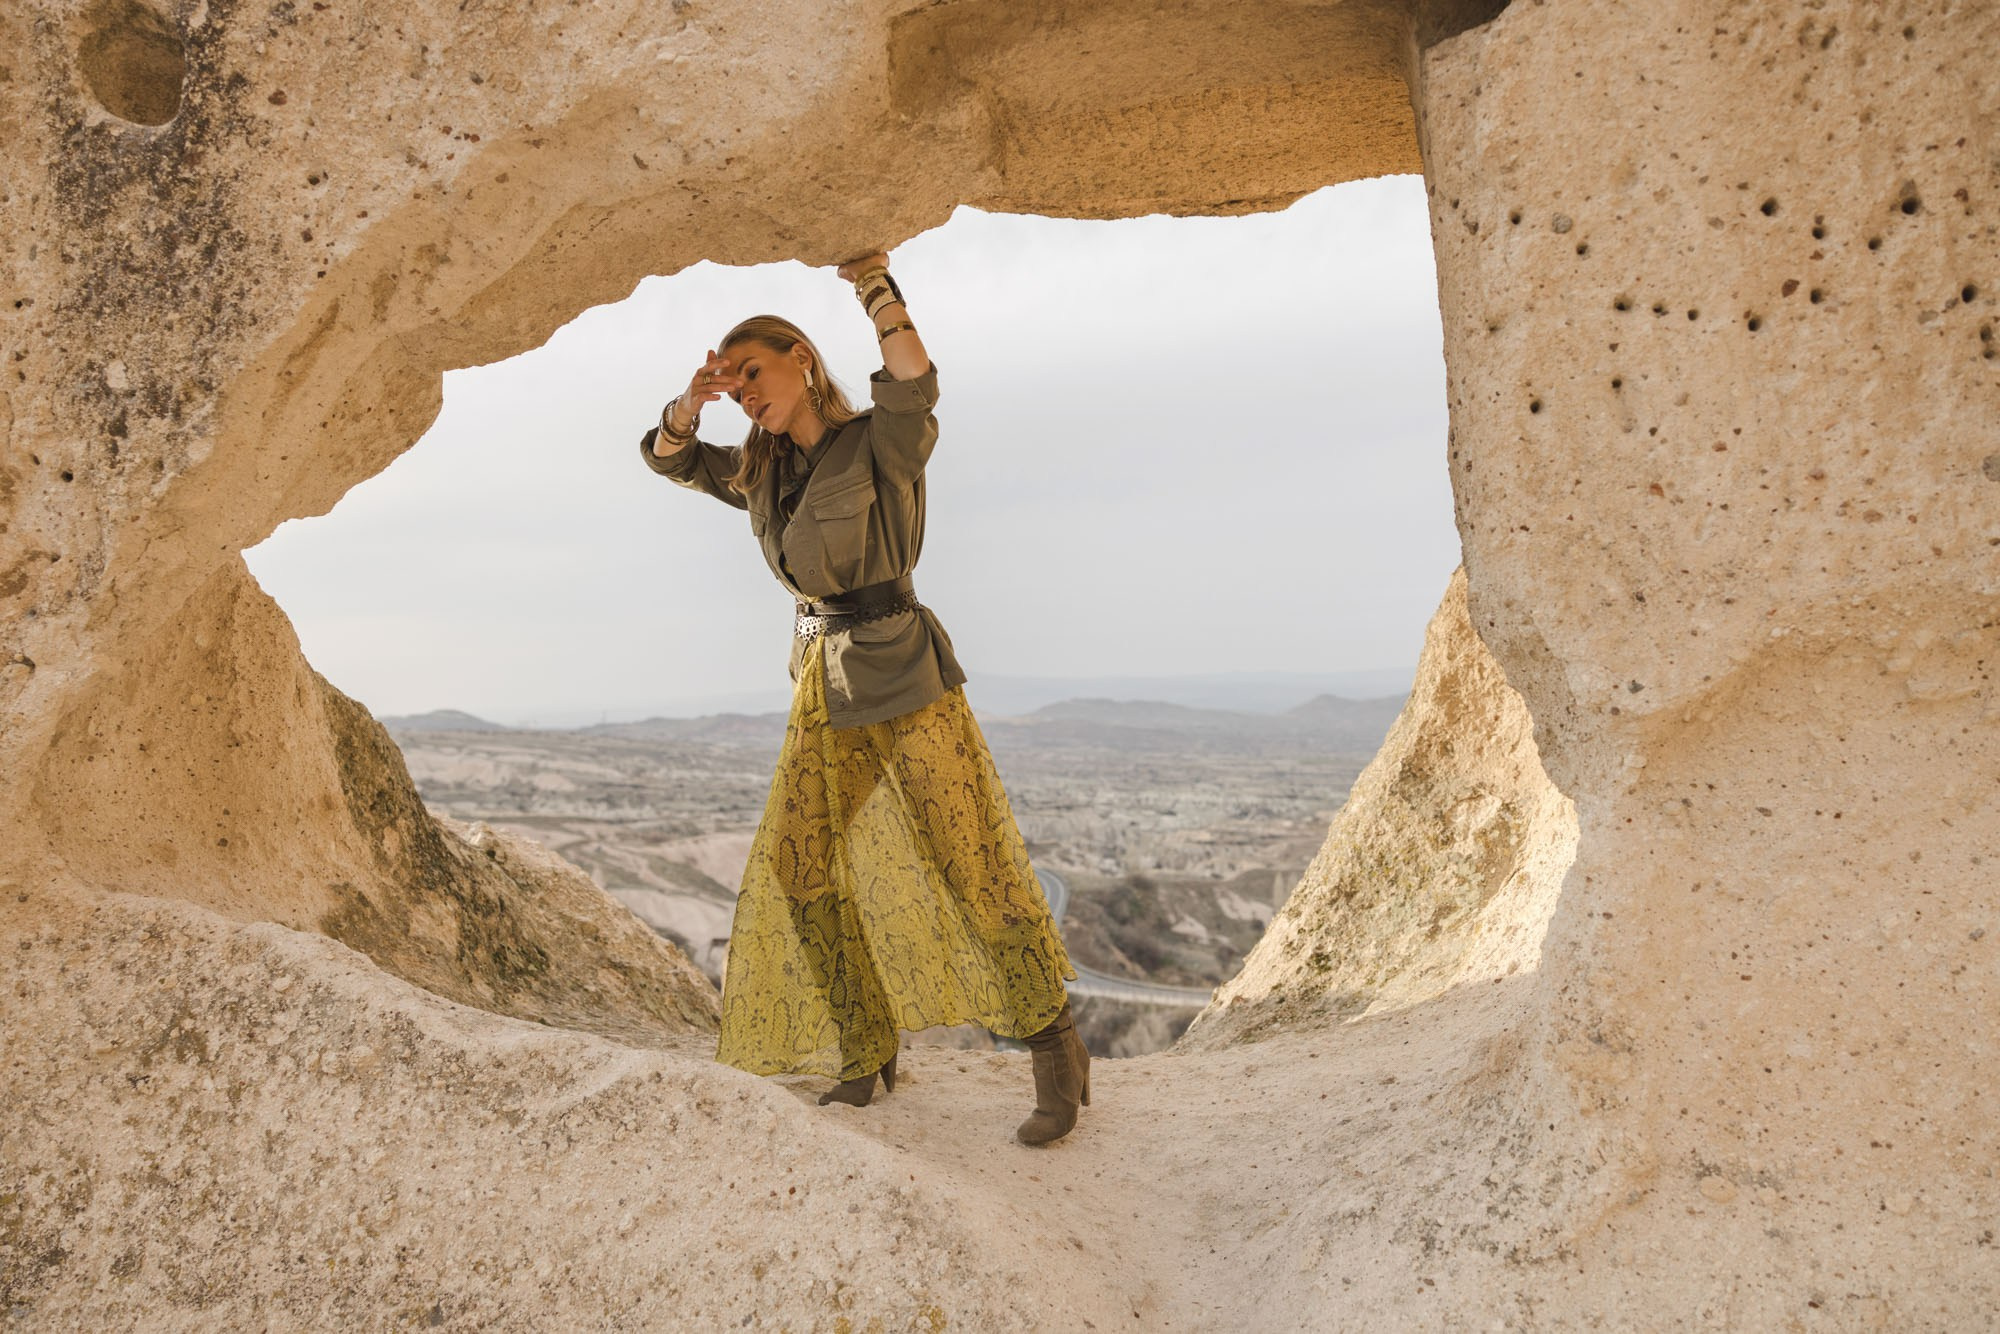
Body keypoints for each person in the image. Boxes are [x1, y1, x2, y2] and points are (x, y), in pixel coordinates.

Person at [639, 250, 1091, 1146]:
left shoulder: (877, 443)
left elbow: (915, 384)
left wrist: (874, 289)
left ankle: (1055, 1048)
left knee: (974, 865)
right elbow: (667, 460)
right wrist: (690, 404)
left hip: (906, 673)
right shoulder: (760, 472)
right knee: (798, 865)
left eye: (754, 375)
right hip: (823, 686)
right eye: (735, 390)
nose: (747, 397)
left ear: (801, 359)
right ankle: (863, 1042)